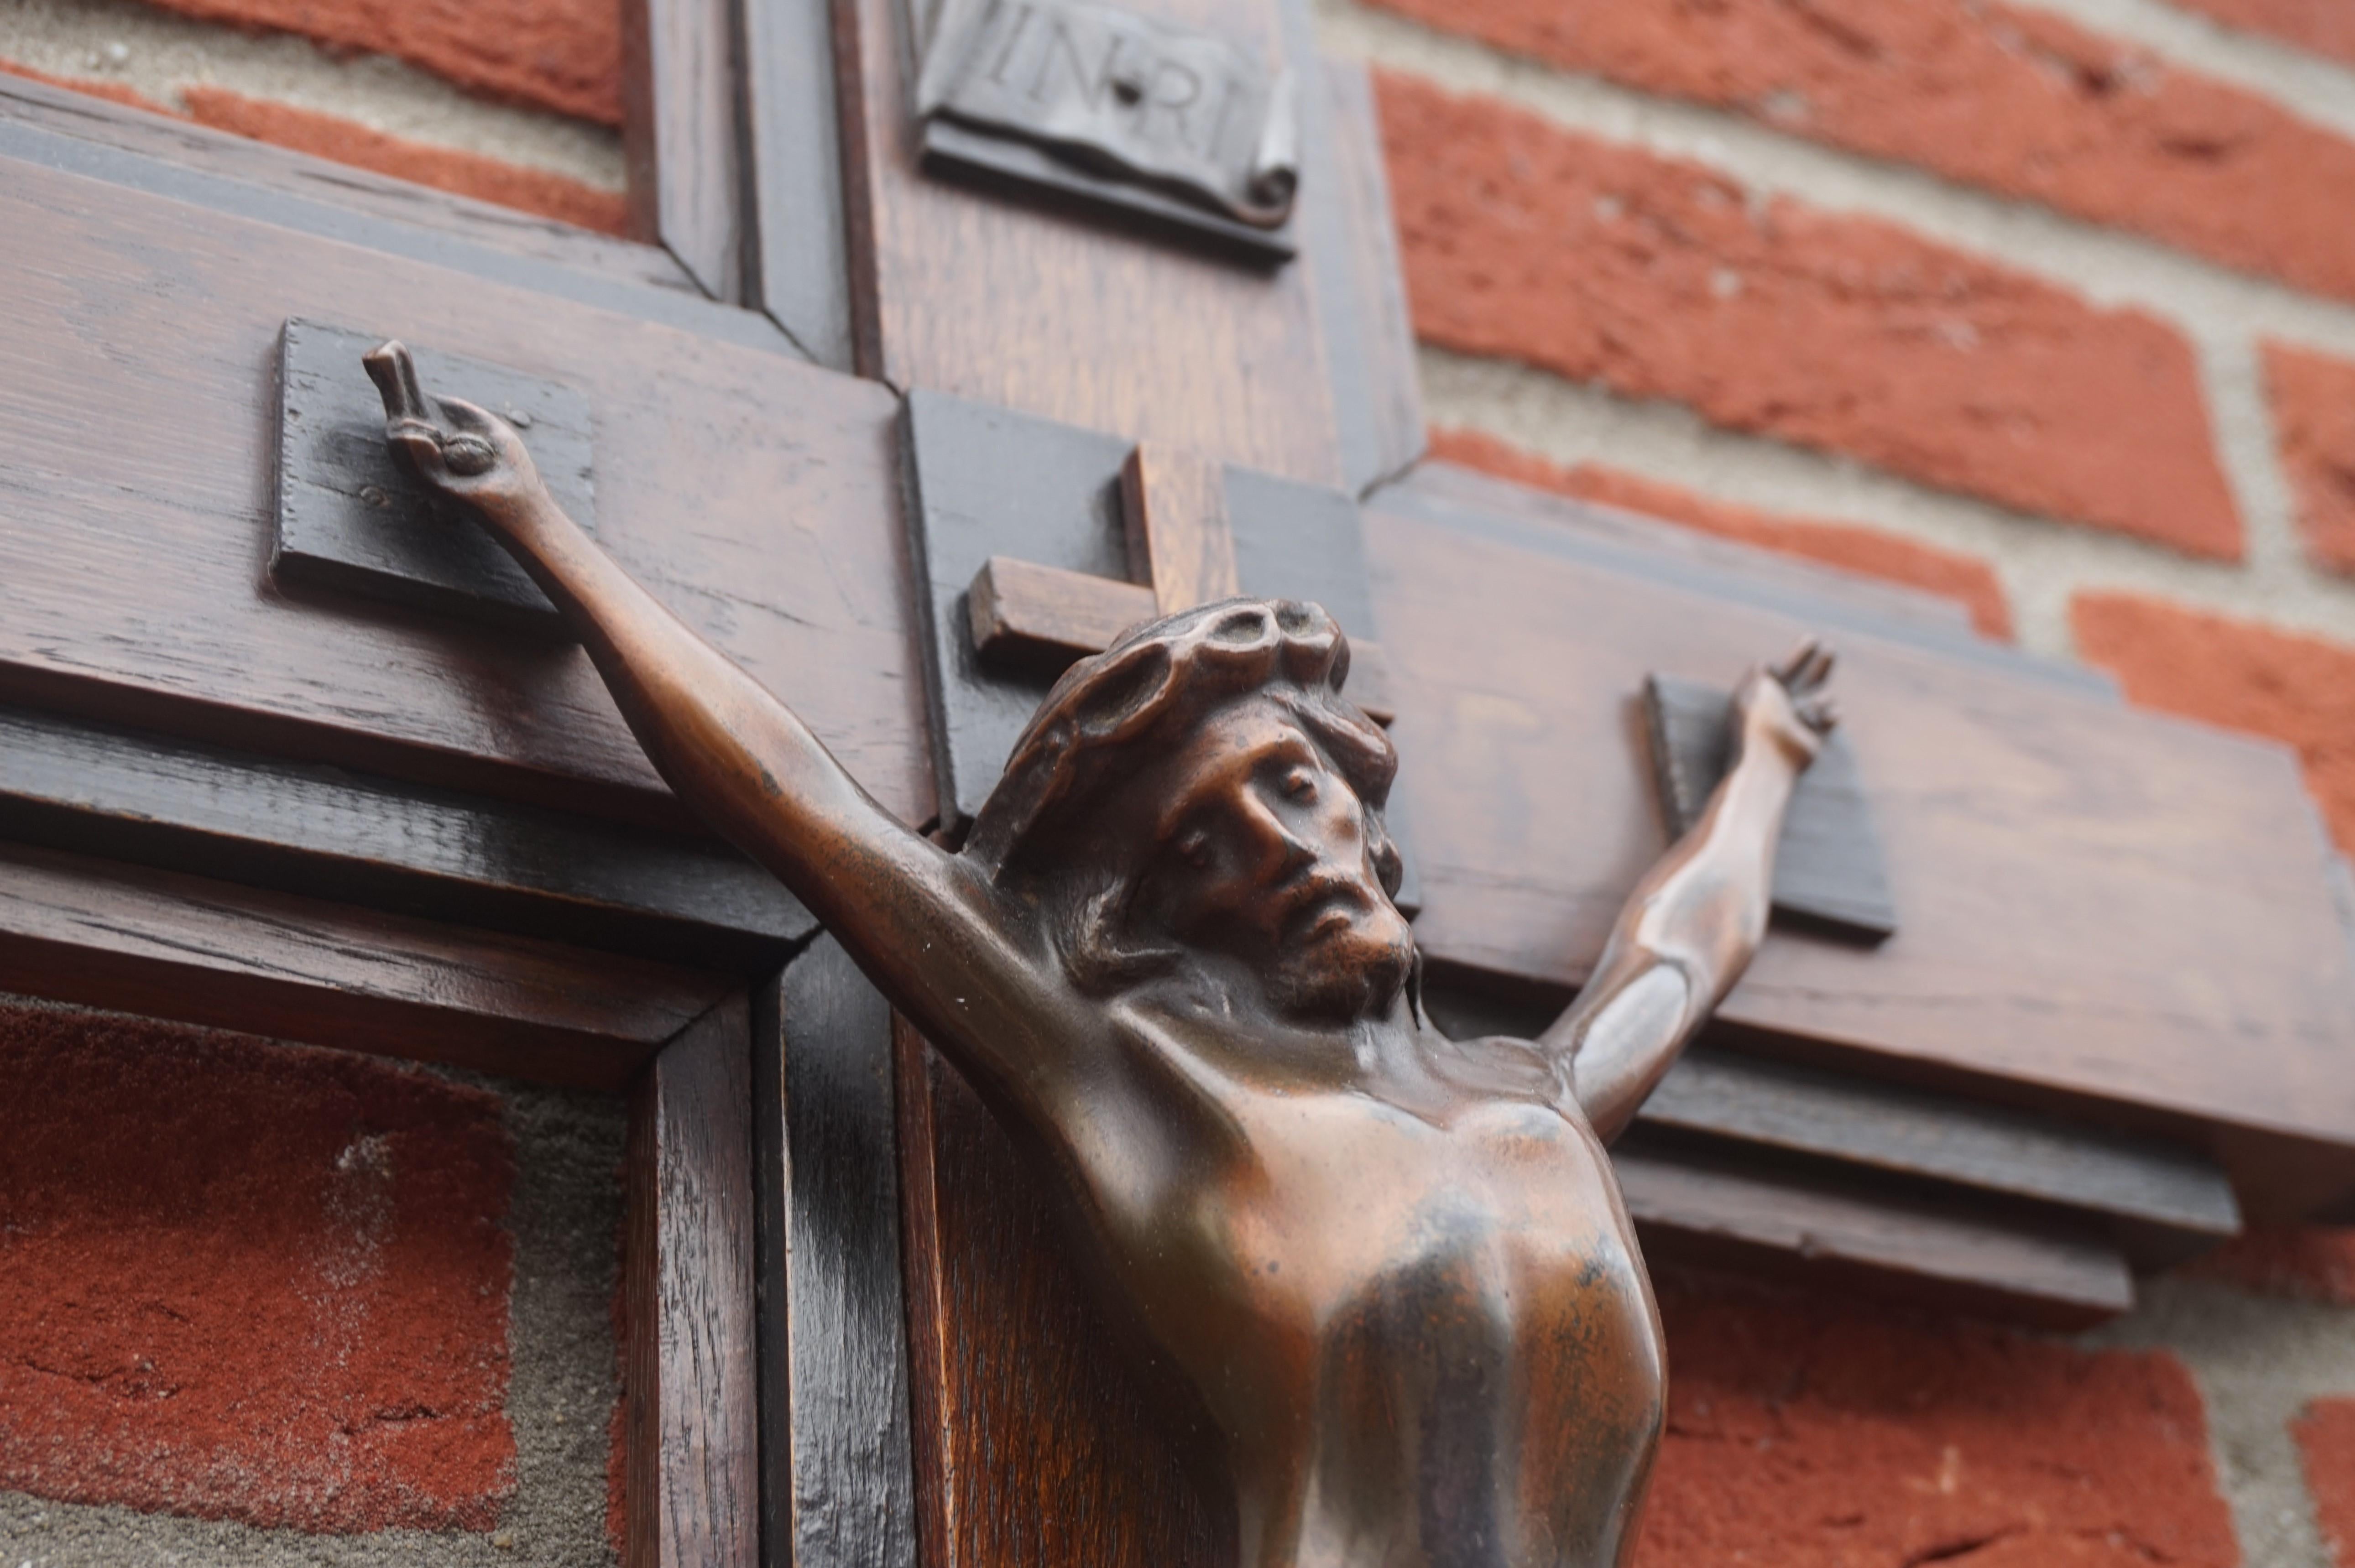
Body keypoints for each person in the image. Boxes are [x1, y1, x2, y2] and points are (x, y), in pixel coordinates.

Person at [367, 342, 1837, 1568]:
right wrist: (545, 533)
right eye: (1203, 840)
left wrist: (1764, 759)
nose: (1277, 843)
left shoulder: (1541, 1095)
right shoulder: (1131, 1081)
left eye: (1294, 785)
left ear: (1359, 800)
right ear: (1166, 916)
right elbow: (807, 813)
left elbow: (1680, 951)